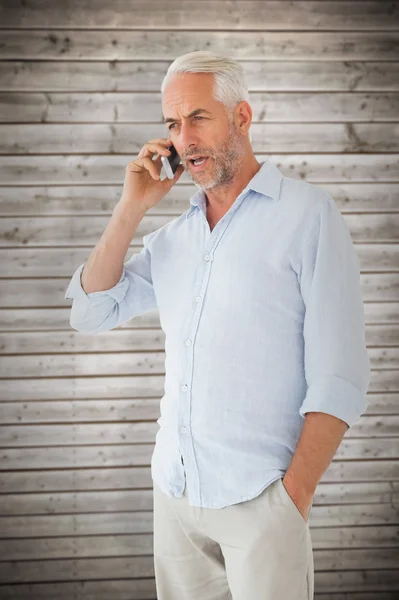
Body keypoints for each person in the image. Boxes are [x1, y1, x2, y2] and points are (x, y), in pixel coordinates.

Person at [64, 50, 371, 600]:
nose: (184, 138)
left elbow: (340, 376)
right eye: (172, 125)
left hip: (261, 501)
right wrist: (132, 207)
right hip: (176, 499)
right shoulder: (175, 238)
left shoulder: (307, 216)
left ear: (242, 118)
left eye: (199, 117)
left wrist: (291, 498)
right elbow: (90, 312)